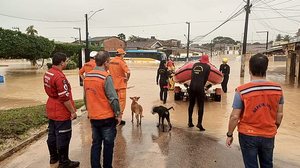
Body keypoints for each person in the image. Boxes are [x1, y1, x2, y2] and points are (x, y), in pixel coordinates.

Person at [226, 53, 284, 168]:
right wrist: (273, 128)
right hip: (269, 134)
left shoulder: (242, 91)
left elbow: (234, 116)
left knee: (251, 165)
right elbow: (280, 114)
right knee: (267, 164)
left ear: (249, 69)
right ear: (266, 68)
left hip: (248, 135)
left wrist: (229, 134)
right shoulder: (277, 89)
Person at [84, 51, 122, 168]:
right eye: (108, 62)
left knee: (95, 144)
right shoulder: (106, 77)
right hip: (106, 118)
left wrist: (89, 111)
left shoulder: (87, 76)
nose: (109, 64)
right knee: (108, 145)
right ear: (106, 62)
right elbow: (113, 99)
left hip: (94, 117)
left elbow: (85, 97)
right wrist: (118, 114)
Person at [43, 52, 80, 168]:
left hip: (51, 107)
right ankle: (64, 162)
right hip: (61, 110)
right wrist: (73, 111)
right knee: (63, 136)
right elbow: (64, 97)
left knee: (52, 134)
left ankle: (54, 158)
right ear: (62, 63)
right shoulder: (59, 77)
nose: (67, 63)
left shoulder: (48, 73)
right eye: (66, 61)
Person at [188, 55, 211, 131]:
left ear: (200, 60)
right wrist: (202, 87)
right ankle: (199, 123)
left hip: (191, 86)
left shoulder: (195, 65)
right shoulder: (207, 67)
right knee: (200, 106)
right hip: (199, 87)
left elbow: (192, 76)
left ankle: (190, 122)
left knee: (191, 104)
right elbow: (205, 79)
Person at [109, 48, 130, 125]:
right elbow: (128, 72)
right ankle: (119, 119)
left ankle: (113, 116)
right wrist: (127, 79)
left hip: (112, 85)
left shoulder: (111, 61)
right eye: (123, 54)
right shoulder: (121, 62)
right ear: (121, 55)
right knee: (121, 102)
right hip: (121, 86)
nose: (123, 56)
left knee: (113, 101)